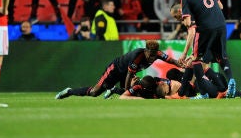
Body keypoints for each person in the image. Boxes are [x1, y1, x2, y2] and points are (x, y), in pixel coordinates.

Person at [170, 0, 237, 98]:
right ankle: (231, 79)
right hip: (221, 24)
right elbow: (220, 6)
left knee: (196, 59)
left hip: (205, 28)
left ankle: (204, 94)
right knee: (221, 57)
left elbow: (189, 24)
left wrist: (184, 54)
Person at [55, 40, 184, 99]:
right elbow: (129, 75)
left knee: (131, 92)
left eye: (154, 56)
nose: (152, 59)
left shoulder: (158, 54)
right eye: (150, 56)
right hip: (115, 70)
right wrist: (128, 91)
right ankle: (70, 91)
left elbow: (172, 60)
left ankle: (114, 90)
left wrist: (181, 64)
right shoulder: (137, 57)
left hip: (126, 73)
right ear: (145, 51)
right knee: (95, 92)